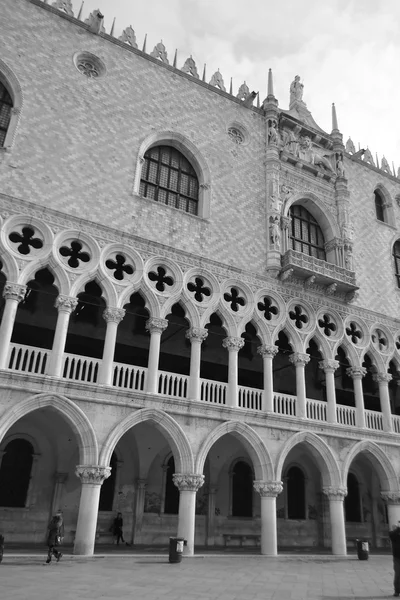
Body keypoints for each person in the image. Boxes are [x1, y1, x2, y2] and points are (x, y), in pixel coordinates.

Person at [389, 523, 400, 596]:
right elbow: (391, 535)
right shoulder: (394, 533)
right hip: (397, 557)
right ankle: (397, 591)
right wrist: (397, 529)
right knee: (398, 574)